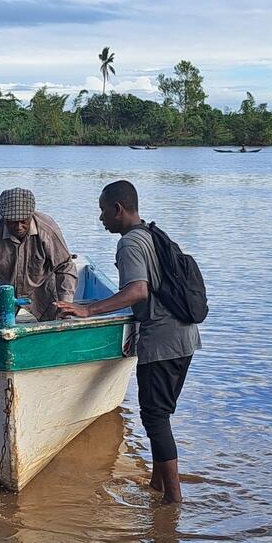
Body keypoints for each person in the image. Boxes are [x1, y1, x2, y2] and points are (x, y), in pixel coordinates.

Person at [55, 180, 201, 504]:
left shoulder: (130, 243)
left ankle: (173, 501)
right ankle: (157, 485)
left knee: (154, 418)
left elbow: (138, 291)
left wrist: (87, 309)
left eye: (103, 210)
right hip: (185, 338)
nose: (101, 218)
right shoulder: (152, 234)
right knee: (159, 415)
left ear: (118, 209)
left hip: (162, 341)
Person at [0, 187, 77, 323]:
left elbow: (65, 267)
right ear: (3, 217)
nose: (19, 226)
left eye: (23, 221)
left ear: (31, 215)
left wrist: (65, 302)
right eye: (12, 222)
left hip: (42, 290)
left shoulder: (47, 230)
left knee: (62, 325)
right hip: (1, 291)